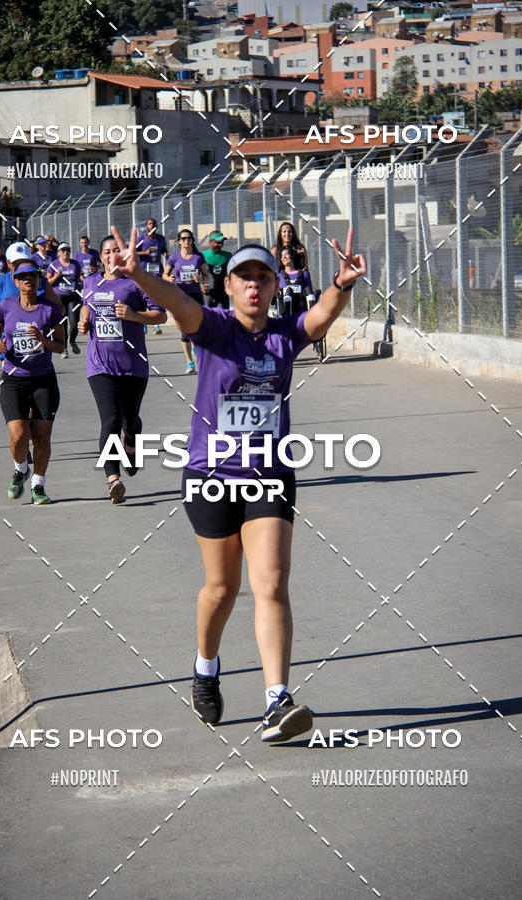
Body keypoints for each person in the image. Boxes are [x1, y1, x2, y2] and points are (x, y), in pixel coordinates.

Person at [110, 224, 366, 742]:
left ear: (274, 286)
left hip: (269, 473)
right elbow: (179, 305)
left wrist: (342, 284)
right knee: (222, 589)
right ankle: (205, 667)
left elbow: (320, 318)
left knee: (270, 583)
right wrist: (137, 274)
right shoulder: (213, 326)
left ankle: (277, 699)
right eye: (243, 276)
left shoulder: (283, 335)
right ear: (227, 286)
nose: (253, 284)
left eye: (262, 277)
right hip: (209, 474)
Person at [78, 234, 167, 504]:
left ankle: (131, 445)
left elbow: (161, 315)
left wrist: (134, 316)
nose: (111, 255)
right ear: (101, 256)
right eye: (106, 251)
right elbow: (85, 305)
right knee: (111, 421)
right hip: (100, 364)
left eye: (116, 250)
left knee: (130, 421)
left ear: (124, 255)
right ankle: (113, 480)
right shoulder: (91, 281)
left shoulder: (136, 284)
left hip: (133, 365)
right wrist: (83, 321)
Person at [0, 260, 65, 504]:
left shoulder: (50, 309)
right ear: (16, 281)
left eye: (32, 276)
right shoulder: (6, 306)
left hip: (43, 380)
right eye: (22, 277)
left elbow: (61, 345)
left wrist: (44, 340)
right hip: (14, 380)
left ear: (38, 279)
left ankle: (38, 486)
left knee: (42, 437)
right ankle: (21, 469)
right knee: (20, 436)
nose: (27, 281)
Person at [164, 229, 209, 373]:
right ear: (179, 241)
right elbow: (165, 274)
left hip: (196, 296)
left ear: (192, 240)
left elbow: (206, 274)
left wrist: (201, 279)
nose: (186, 241)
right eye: (183, 238)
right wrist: (169, 279)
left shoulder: (198, 257)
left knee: (198, 327)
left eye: (189, 238)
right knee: (184, 331)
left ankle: (197, 348)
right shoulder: (174, 258)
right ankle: (190, 362)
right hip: (181, 296)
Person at [47, 243, 83, 357]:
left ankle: (72, 340)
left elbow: (81, 278)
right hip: (59, 296)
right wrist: (56, 276)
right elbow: (48, 282)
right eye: (63, 250)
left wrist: (87, 282)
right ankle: (64, 349)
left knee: (74, 322)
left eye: (67, 250)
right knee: (62, 323)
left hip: (73, 296)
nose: (65, 252)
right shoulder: (53, 265)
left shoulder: (75, 264)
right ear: (59, 252)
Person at [137, 217, 168, 334]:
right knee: (144, 297)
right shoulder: (141, 239)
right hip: (144, 272)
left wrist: (166, 254)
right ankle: (144, 323)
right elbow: (132, 252)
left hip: (158, 272)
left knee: (157, 298)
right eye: (150, 224)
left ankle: (156, 325)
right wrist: (144, 253)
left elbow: (164, 249)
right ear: (146, 227)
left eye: (154, 224)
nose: (152, 226)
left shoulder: (161, 239)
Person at [277, 247, 313, 316]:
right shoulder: (279, 277)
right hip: (285, 314)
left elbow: (309, 291)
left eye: (286, 254)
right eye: (282, 256)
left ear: (292, 256)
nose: (284, 257)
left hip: (303, 312)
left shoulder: (304, 274)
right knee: (288, 292)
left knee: (308, 291)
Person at [203, 231, 232, 310]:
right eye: (218, 242)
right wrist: (201, 285)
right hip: (208, 295)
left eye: (222, 242)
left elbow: (231, 273)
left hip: (223, 294)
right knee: (207, 319)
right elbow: (198, 273)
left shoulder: (228, 256)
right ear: (210, 242)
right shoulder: (202, 256)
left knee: (223, 318)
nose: (220, 244)